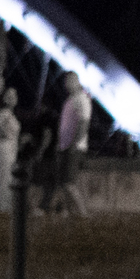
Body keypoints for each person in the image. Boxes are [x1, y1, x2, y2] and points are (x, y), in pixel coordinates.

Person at [54, 70, 93, 215]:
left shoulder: (82, 99)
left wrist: (74, 144)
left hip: (74, 148)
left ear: (77, 81)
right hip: (65, 147)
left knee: (69, 182)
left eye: (70, 80)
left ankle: (83, 212)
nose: (67, 84)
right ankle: (69, 211)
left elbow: (84, 123)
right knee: (64, 182)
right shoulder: (70, 100)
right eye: (66, 81)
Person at [0, 86, 21, 213]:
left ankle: (2, 206)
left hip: (11, 147)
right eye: (9, 96)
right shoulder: (3, 113)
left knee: (7, 177)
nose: (12, 99)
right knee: (4, 177)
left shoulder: (10, 114)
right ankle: (2, 206)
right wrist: (2, 132)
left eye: (14, 96)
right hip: (4, 147)